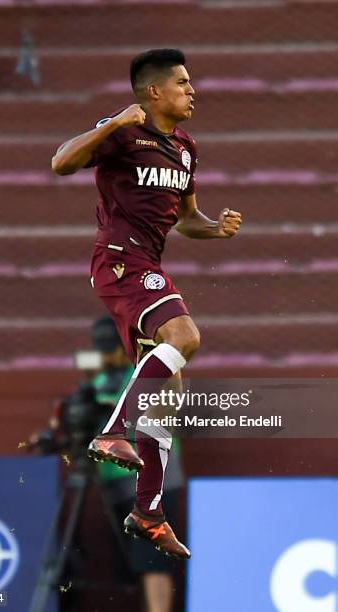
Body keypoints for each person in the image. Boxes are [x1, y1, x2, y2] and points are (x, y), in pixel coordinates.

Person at [52, 48, 242, 559]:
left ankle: (148, 511)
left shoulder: (185, 147)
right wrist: (112, 121)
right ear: (153, 91)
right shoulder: (122, 133)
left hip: (147, 266)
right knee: (185, 337)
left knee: (169, 391)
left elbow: (186, 218)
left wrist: (214, 229)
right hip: (119, 261)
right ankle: (114, 431)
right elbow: (61, 162)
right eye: (182, 82)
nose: (192, 90)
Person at [91, 315, 184, 612]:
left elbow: (167, 410)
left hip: (150, 477)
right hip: (113, 479)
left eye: (111, 346)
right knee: (135, 559)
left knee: (151, 555)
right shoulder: (99, 381)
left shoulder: (150, 370)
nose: (107, 354)